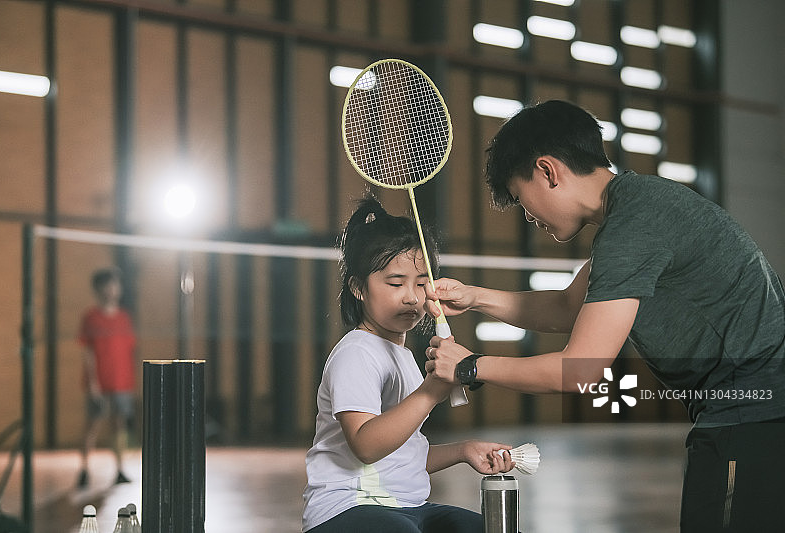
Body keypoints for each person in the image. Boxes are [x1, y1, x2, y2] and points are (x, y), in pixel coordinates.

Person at [423, 99, 785, 532]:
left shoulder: (633, 227)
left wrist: (469, 366)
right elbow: (566, 309)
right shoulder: (638, 206)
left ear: (548, 171)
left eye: (522, 199)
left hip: (755, 417)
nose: (530, 217)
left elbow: (581, 371)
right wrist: (473, 297)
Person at [302, 196, 516, 533]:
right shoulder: (356, 353)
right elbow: (367, 445)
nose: (412, 297)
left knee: (488, 528)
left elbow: (403, 455)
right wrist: (431, 392)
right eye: (395, 283)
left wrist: (463, 450)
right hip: (347, 507)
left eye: (420, 283)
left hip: (408, 508)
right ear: (358, 288)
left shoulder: (402, 356)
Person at [77, 267, 137, 488]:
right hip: (99, 383)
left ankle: (120, 469)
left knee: (119, 425)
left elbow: (129, 350)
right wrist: (93, 382)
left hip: (122, 382)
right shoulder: (91, 317)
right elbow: (87, 351)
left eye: (115, 284)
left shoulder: (124, 317)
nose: (112, 289)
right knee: (92, 425)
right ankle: (83, 470)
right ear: (98, 289)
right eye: (108, 284)